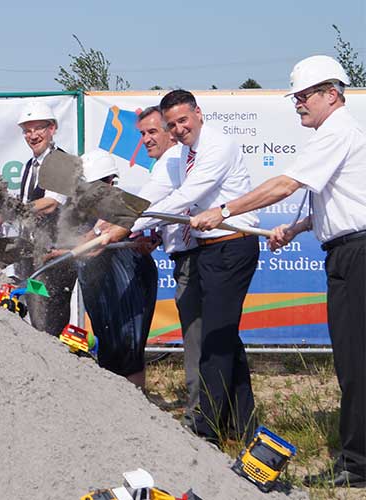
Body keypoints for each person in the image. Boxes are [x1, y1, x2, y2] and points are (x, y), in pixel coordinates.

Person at [189, 56, 366, 487]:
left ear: (331, 94)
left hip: (357, 254)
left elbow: (285, 184)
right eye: (296, 98)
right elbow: (341, 198)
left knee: (356, 362)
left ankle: (357, 465)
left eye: (304, 97)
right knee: (352, 360)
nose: (298, 105)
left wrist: (225, 209)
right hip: (347, 252)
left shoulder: (338, 131)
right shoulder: (337, 134)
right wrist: (298, 226)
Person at [120, 89, 260, 444]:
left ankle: (206, 429)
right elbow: (156, 194)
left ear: (198, 113)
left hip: (233, 245)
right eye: (172, 125)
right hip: (208, 252)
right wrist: (119, 222)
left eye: (183, 120)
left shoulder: (218, 146)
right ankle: (245, 427)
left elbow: (187, 197)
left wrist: (128, 226)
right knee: (223, 336)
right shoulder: (181, 156)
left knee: (213, 338)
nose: (179, 129)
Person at [133, 106, 203, 428]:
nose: (146, 139)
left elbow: (144, 207)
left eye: (152, 132)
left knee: (198, 340)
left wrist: (111, 229)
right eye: (142, 134)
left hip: (196, 258)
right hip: (184, 257)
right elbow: (167, 216)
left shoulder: (171, 161)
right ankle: (213, 415)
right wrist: (156, 238)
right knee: (206, 338)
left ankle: (199, 416)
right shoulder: (169, 163)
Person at [72, 151, 157, 388]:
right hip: (98, 280)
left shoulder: (124, 207)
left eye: (97, 186)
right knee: (107, 345)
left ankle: (135, 405)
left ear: (110, 182)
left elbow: (144, 232)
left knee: (128, 347)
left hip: (129, 276)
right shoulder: (80, 213)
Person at [13, 101, 76, 336]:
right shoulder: (29, 166)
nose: (33, 135)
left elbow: (51, 204)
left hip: (55, 259)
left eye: (38, 128)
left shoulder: (63, 162)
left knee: (53, 320)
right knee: (37, 315)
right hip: (33, 257)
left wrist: (15, 208)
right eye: (27, 130)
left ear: (52, 129)